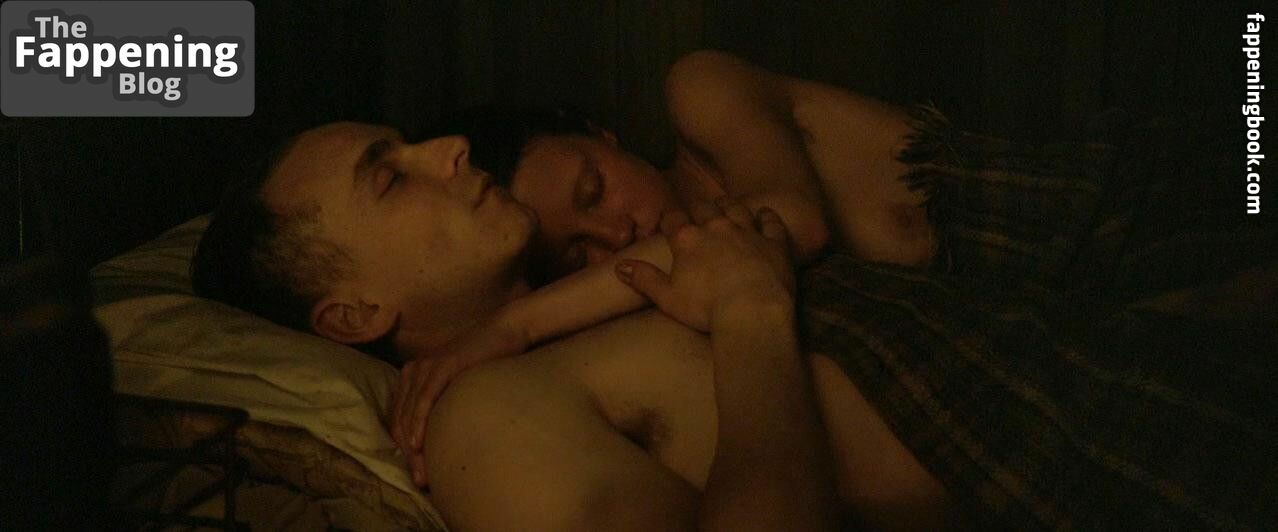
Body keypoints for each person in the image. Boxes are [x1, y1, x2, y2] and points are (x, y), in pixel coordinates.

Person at [190, 122, 957, 530]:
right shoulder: (483, 421)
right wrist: (752, 314)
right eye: (391, 179)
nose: (452, 148)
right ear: (356, 315)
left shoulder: (587, 301)